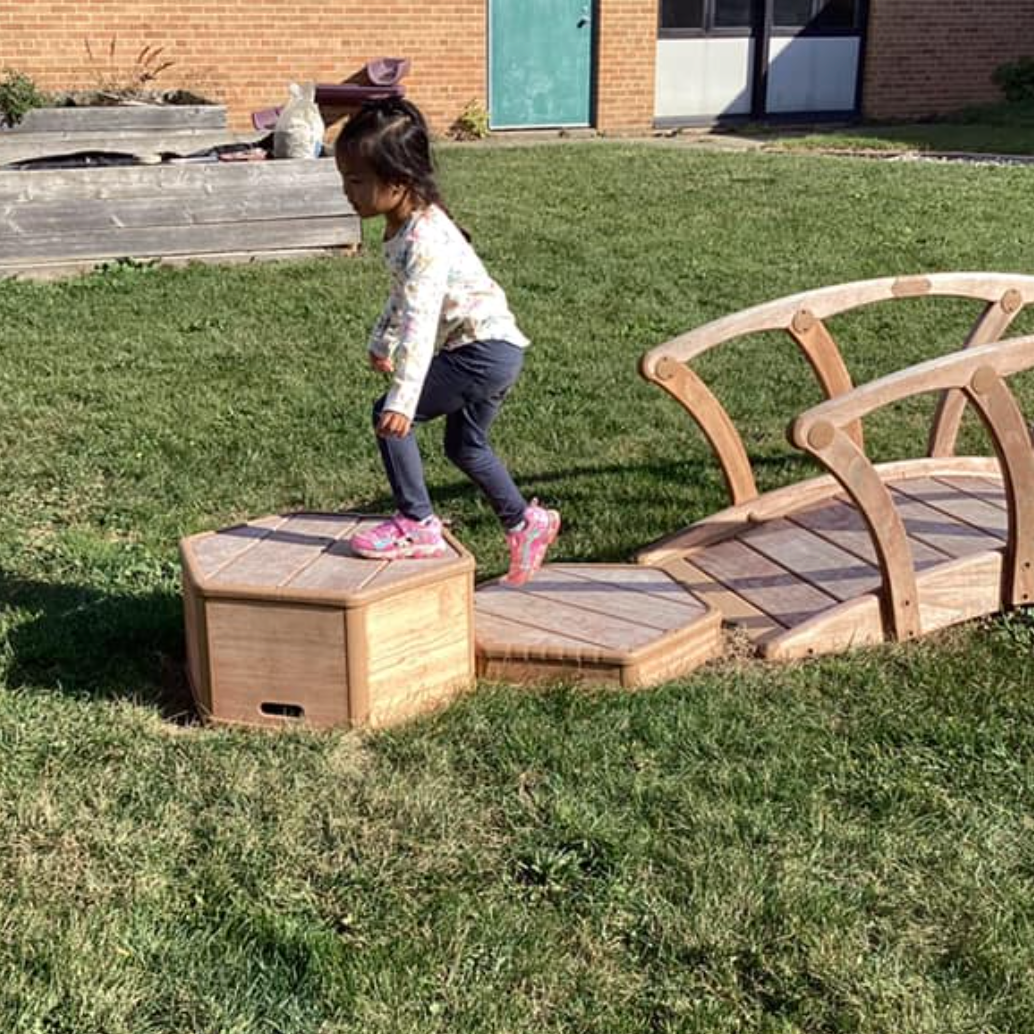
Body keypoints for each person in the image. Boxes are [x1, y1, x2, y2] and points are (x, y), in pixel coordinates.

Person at [334, 98, 559, 585]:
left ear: (397, 182)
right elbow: (403, 299)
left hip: (481, 352)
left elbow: (421, 320)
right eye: (344, 179)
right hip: (497, 349)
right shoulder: (407, 224)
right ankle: (525, 522)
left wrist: (401, 398)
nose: (347, 191)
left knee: (389, 421)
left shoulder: (424, 240)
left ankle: (417, 524)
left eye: (355, 181)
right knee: (465, 446)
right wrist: (381, 341)